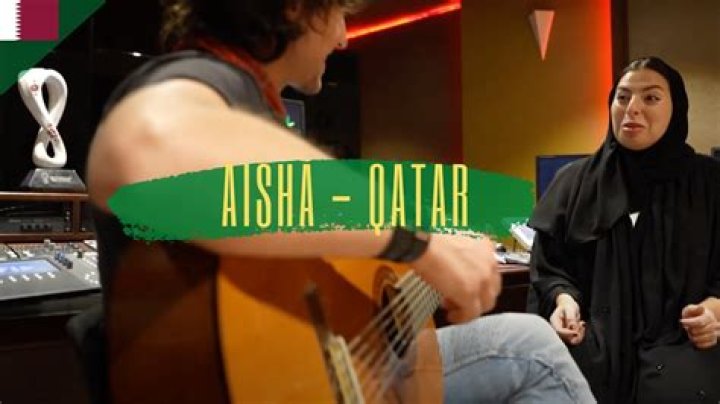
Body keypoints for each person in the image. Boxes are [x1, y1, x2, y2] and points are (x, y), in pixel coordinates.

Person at [83, 0, 595, 402]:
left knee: (529, 342)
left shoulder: (252, 104)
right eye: (338, 15)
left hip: (327, 368)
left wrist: (419, 273)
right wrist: (421, 244)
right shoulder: (207, 78)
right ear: (294, 8)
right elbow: (145, 150)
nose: (345, 37)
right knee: (534, 354)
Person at [529, 56, 720, 404]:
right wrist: (563, 300)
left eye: (651, 98)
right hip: (592, 343)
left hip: (682, 342)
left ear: (676, 108)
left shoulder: (709, 183)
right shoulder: (573, 183)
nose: (632, 108)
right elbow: (549, 268)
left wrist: (713, 311)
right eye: (623, 97)